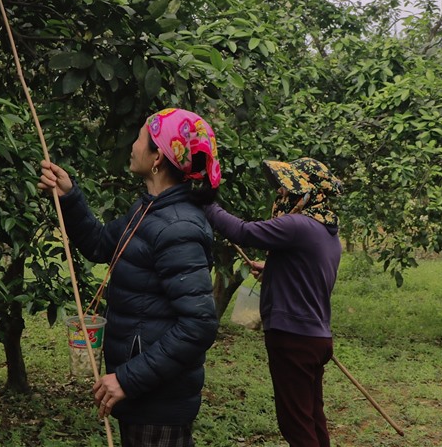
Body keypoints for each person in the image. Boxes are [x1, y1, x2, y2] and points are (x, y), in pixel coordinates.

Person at [37, 108, 222, 447]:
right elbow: (99, 244)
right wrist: (69, 196)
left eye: (140, 139)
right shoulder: (149, 210)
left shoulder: (176, 225)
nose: (133, 146)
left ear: (157, 158)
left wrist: (128, 378)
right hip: (144, 396)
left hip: (157, 402)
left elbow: (199, 324)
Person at [204, 157, 343, 447]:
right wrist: (273, 270)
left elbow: (241, 232)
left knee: (296, 425)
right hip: (316, 339)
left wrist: (206, 203)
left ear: (305, 193)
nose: (281, 194)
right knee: (312, 418)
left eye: (287, 188)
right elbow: (308, 275)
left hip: (293, 339)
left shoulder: (298, 226)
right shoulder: (328, 232)